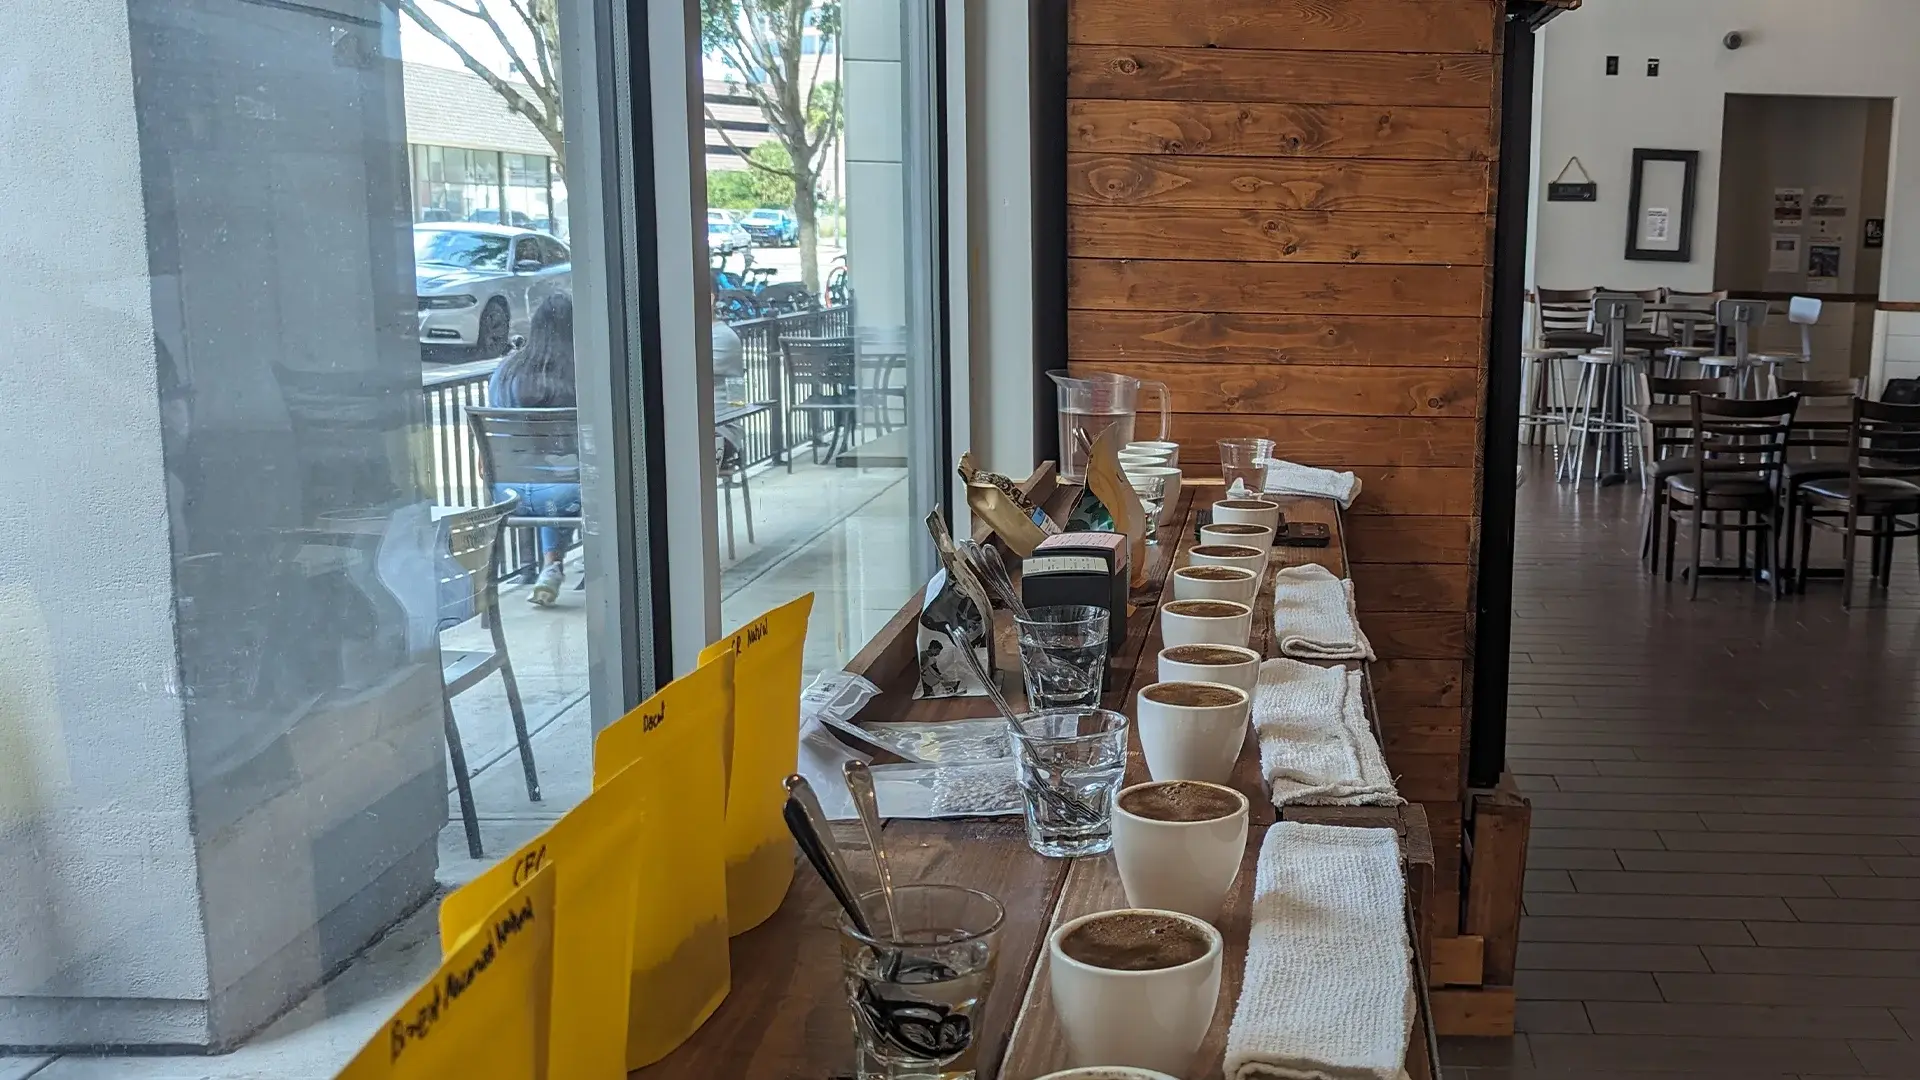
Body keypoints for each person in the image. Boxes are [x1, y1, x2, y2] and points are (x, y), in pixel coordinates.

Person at [487, 293, 579, 606]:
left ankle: (545, 567)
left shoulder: (505, 372)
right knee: (578, 479)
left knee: (551, 477)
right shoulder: (579, 375)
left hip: (505, 493)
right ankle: (555, 563)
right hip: (562, 495)